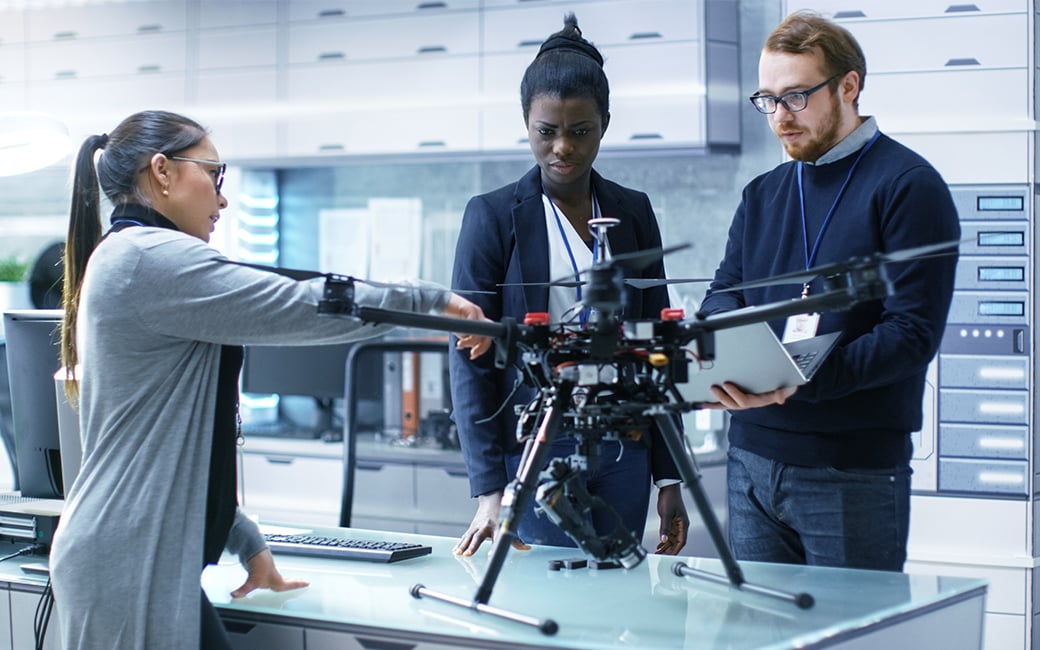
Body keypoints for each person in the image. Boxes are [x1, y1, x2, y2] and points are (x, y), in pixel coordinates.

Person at [49, 110, 490, 649]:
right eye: (215, 175)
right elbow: (301, 304)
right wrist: (429, 302)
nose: (223, 198)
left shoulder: (133, 257)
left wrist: (246, 542)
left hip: (132, 553)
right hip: (125, 564)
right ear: (162, 171)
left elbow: (166, 451)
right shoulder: (148, 259)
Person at [698, 10, 960, 571]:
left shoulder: (909, 187)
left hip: (850, 470)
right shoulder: (762, 193)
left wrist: (795, 379)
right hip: (748, 460)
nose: (779, 117)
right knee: (762, 636)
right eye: (767, 99)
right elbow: (722, 295)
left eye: (796, 97)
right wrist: (734, 357)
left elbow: (911, 334)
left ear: (849, 85)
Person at [450, 14, 689, 557]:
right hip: (536, 448)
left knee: (623, 607)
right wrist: (489, 488)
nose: (562, 147)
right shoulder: (492, 217)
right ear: (526, 123)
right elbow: (467, 356)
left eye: (580, 131)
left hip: (626, 444)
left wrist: (669, 478)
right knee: (551, 606)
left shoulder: (633, 212)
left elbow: (660, 345)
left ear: (605, 122)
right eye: (546, 131)